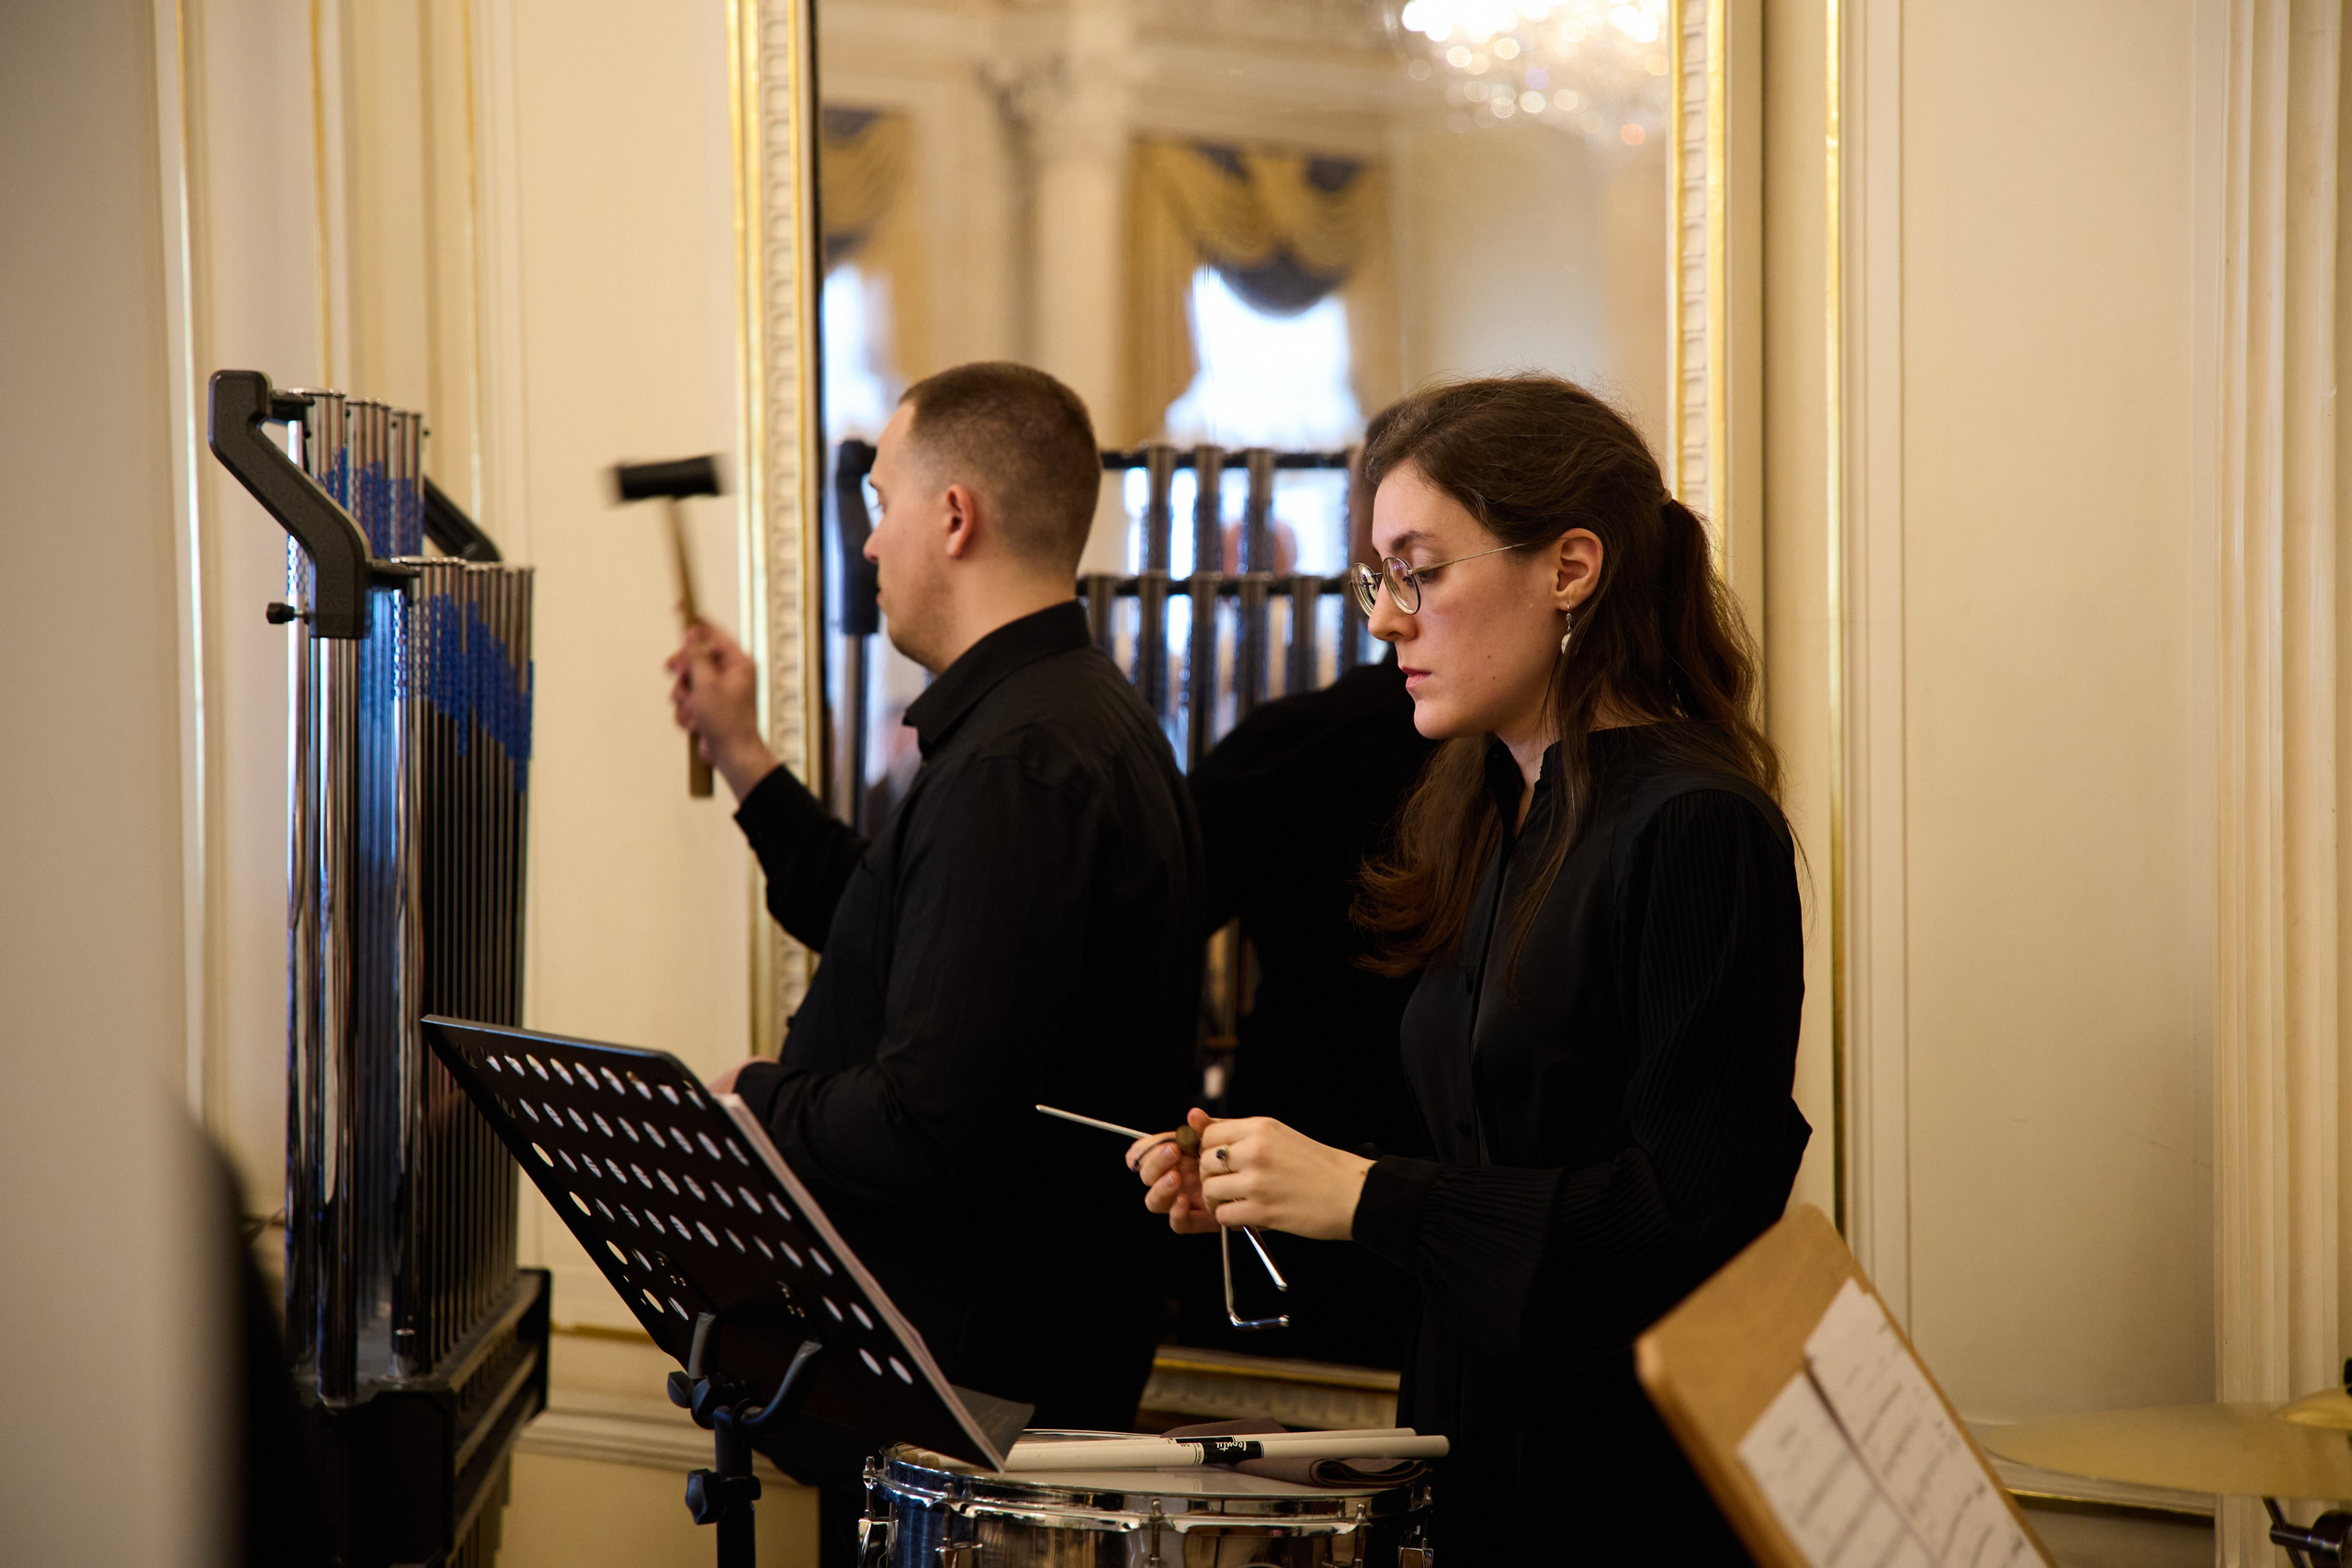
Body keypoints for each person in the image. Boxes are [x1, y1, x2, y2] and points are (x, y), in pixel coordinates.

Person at [1128, 374, 1807, 1563]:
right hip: (1474, 1423)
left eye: (1420, 572)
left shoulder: (1698, 824)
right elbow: (1491, 1161)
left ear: (1571, 568)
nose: (1386, 621)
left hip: (1618, 1477)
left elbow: (1688, 1218)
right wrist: (1266, 1179)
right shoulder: (1498, 805)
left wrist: (1362, 1193)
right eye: (1377, 580)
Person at [670, 362, 1203, 1558]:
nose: (868, 544)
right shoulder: (1068, 720)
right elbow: (896, 930)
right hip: (996, 1399)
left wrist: (756, 1102)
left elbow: (932, 1118)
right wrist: (744, 755)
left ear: (954, 516)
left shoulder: (1020, 763)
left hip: (973, 1429)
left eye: (879, 504)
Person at [1178, 412, 1438, 1369]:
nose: (1385, 614)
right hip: (1287, 1204)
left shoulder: (1300, 747)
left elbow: (1134, 927)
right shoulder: (1295, 747)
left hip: (1405, 1220)